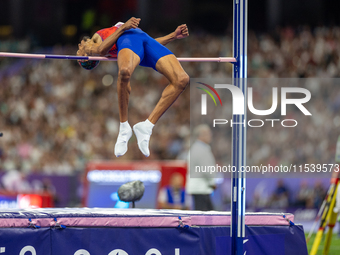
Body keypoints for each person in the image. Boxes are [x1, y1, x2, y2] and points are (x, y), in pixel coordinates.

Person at [77, 17, 190, 158]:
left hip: (142, 40)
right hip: (128, 38)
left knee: (182, 79)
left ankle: (147, 126)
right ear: (85, 57)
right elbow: (100, 50)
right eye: (78, 52)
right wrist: (123, 27)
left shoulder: (108, 41)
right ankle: (124, 127)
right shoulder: (92, 45)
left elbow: (150, 45)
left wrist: (173, 36)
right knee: (124, 72)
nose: (80, 45)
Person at [186, 124, 217, 211]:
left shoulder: (198, 148)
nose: (210, 135)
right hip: (201, 187)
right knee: (204, 216)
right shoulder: (200, 149)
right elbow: (206, 168)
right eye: (208, 133)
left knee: (206, 213)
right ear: (201, 135)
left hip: (200, 187)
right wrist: (212, 181)